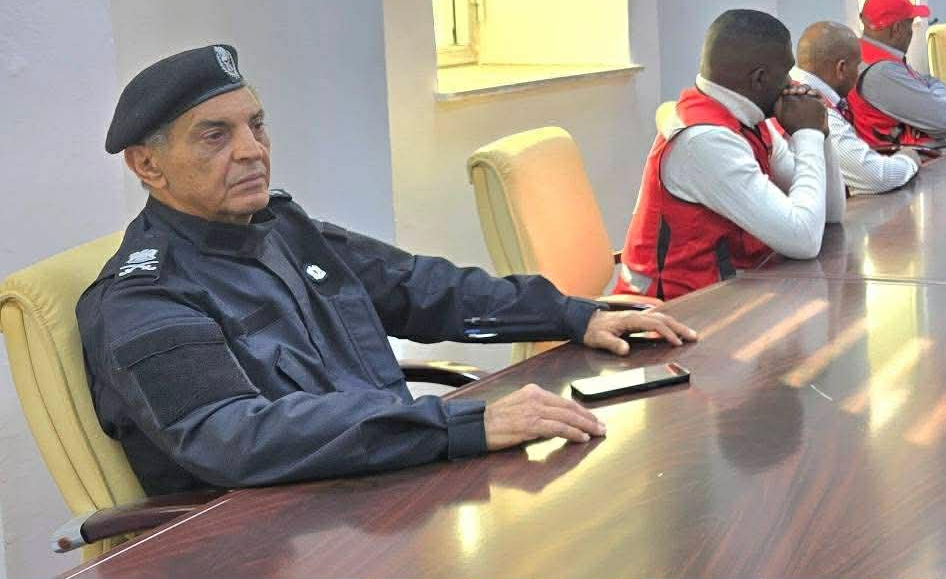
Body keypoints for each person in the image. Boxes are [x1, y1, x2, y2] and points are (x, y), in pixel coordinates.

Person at [78, 45, 699, 495]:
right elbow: (234, 437)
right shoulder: (146, 297)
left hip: (383, 485)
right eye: (215, 136)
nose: (252, 150)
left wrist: (574, 315)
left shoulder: (280, 228)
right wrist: (458, 423)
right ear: (148, 166)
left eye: (256, 125)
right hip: (278, 534)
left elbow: (420, 288)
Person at [618, 10, 840, 299]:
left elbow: (830, 214)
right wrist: (807, 133)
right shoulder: (704, 140)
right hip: (672, 311)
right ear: (759, 78)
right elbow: (804, 239)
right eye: (786, 72)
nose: (792, 83)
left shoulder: (747, 119)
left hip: (731, 298)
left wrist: (821, 132)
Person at [792, 20, 923, 194]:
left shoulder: (797, 89)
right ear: (841, 69)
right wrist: (910, 158)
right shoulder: (814, 110)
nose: (860, 72)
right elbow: (876, 176)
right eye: (858, 65)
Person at [849, 0, 946, 151]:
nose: (911, 32)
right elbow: (945, 120)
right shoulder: (882, 72)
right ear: (897, 29)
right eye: (910, 24)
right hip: (916, 160)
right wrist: (941, 98)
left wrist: (934, 95)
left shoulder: (864, 53)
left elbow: (927, 80)